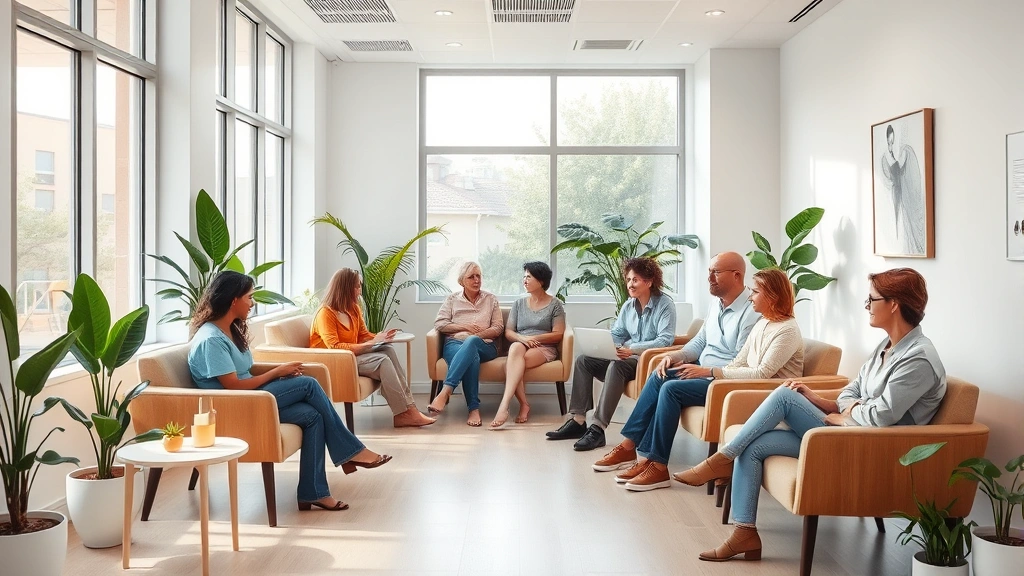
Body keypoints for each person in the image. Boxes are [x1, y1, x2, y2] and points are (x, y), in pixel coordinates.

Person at [675, 268, 945, 563]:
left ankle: (720, 460)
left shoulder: (918, 357)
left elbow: (882, 415)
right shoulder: (888, 345)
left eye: (872, 299)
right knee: (754, 445)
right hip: (847, 431)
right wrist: (824, 402)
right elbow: (849, 391)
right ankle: (745, 534)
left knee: (784, 394)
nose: (867, 306)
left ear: (894, 304)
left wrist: (847, 415)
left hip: (871, 448)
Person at [188, 271, 391, 512]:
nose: (252, 303)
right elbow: (233, 386)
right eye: (249, 297)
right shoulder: (211, 339)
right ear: (234, 300)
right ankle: (351, 451)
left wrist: (279, 371)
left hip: (255, 396)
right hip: (237, 405)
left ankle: (313, 492)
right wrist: (276, 372)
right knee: (308, 383)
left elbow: (245, 371)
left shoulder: (229, 330)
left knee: (312, 417)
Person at [591, 252, 762, 490]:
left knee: (671, 389)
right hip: (701, 371)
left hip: (722, 380)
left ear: (737, 276)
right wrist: (672, 356)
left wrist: (705, 371)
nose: (709, 278)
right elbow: (698, 343)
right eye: (709, 272)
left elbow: (740, 364)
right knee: (659, 374)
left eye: (716, 272)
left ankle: (658, 467)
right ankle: (633, 451)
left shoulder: (752, 312)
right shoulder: (717, 305)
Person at [546, 257, 677, 451]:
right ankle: (578, 421)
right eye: (628, 279)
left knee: (617, 366)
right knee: (584, 361)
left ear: (649, 282)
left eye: (635, 280)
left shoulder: (665, 305)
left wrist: (631, 349)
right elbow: (617, 333)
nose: (630, 284)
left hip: (645, 362)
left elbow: (665, 340)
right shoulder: (628, 306)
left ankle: (597, 429)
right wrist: (610, 345)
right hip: (625, 358)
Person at [309, 268, 435, 428]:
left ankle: (410, 408)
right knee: (383, 361)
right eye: (357, 286)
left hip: (350, 357)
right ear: (346, 288)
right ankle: (403, 413)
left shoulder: (352, 309)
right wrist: (372, 343)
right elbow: (335, 347)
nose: (360, 291)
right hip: (335, 362)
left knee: (388, 349)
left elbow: (363, 334)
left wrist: (380, 337)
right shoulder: (325, 314)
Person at [490, 261, 566, 429]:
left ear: (541, 281)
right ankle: (517, 404)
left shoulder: (555, 305)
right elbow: (509, 332)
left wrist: (536, 339)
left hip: (543, 347)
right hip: (521, 344)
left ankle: (507, 405)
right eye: (524, 277)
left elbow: (558, 333)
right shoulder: (518, 304)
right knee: (516, 348)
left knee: (513, 365)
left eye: (529, 277)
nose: (524, 280)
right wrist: (523, 339)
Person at [428, 261, 504, 426]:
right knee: (472, 357)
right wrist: (464, 327)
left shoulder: (490, 299)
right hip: (454, 343)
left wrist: (475, 335)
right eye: (471, 277)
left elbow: (498, 327)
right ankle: (473, 409)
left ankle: (446, 391)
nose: (476, 280)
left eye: (478, 276)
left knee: (472, 342)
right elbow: (440, 324)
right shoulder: (452, 299)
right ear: (461, 281)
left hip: (486, 345)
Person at [880, 124, 926, 255]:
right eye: (889, 141)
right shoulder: (886, 155)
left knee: (902, 221)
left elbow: (897, 168)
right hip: (896, 192)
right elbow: (894, 170)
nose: (891, 144)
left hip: (900, 193)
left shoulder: (896, 153)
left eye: (892, 141)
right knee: (897, 219)